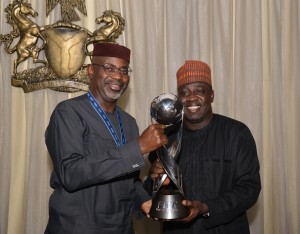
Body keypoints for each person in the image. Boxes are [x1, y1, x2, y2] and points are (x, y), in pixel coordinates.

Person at [44, 42, 168, 234]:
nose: (118, 76)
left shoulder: (129, 122)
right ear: (91, 71)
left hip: (122, 227)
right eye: (109, 68)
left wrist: (143, 200)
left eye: (124, 70)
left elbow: (128, 179)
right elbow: (71, 173)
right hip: (78, 227)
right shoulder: (68, 112)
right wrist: (138, 148)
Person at [144, 60, 261, 233]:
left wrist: (206, 207)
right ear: (178, 99)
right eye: (184, 92)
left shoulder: (237, 133)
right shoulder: (164, 138)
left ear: (211, 95)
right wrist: (156, 180)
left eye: (200, 91)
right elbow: (151, 195)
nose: (191, 97)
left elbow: (249, 188)